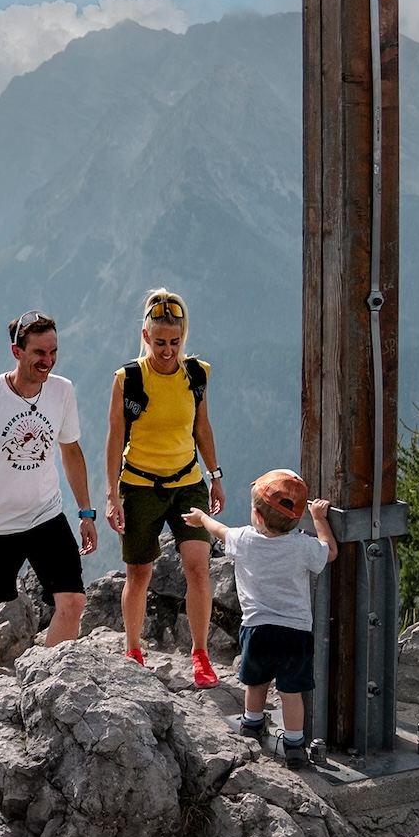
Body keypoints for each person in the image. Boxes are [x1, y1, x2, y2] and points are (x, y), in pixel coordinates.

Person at [0, 310, 99, 673]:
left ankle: (44, 677)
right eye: (39, 353)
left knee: (73, 601)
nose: (47, 361)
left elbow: (71, 451)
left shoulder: (62, 391)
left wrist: (86, 512)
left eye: (53, 352)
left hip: (46, 515)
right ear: (17, 352)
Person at [103, 288, 227, 686]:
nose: (168, 350)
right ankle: (134, 649)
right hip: (139, 485)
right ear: (145, 337)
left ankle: (201, 654)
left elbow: (202, 427)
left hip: (188, 483)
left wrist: (215, 476)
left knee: (198, 568)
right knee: (139, 573)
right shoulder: (129, 380)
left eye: (175, 341)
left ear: (183, 337)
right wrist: (111, 494)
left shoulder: (197, 374)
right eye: (159, 342)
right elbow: (114, 438)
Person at [183, 470, 335, 768]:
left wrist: (201, 519)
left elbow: (219, 529)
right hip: (295, 633)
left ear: (256, 515)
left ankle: (251, 725)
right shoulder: (303, 547)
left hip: (256, 629)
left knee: (256, 683)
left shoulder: (243, 540)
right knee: (291, 693)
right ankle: (294, 745)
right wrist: (319, 519)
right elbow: (329, 553)